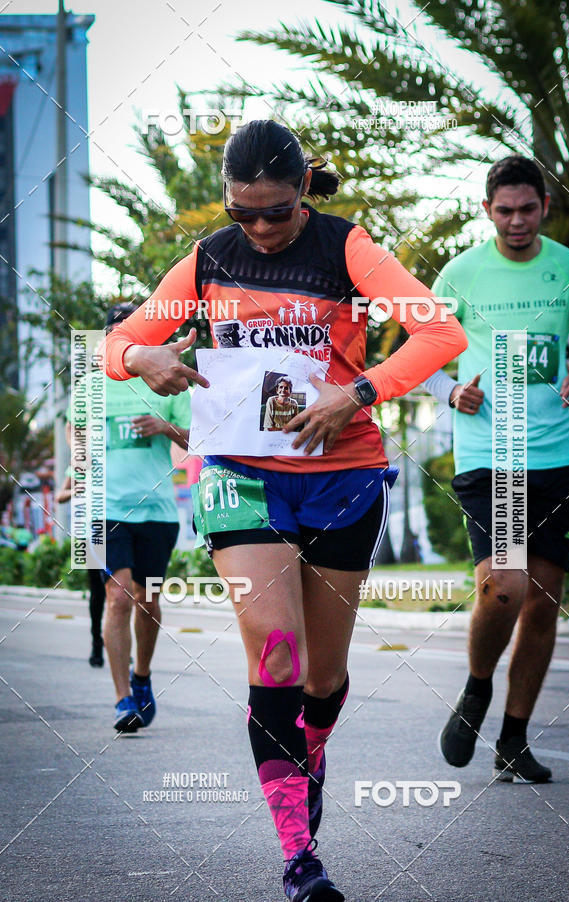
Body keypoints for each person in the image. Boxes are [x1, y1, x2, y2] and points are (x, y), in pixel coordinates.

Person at [104, 120, 467, 902]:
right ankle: (300, 857)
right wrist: (147, 355)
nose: (260, 229)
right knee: (275, 652)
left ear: (303, 190)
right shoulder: (210, 259)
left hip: (342, 474)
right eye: (242, 213)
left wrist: (358, 391)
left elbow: (440, 330)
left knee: (323, 680)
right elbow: (125, 341)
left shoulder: (347, 248)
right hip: (239, 472)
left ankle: (311, 747)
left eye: (274, 211)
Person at [423, 155, 569, 783]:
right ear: (486, 211)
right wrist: (451, 392)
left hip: (559, 459)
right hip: (489, 456)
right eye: (505, 210)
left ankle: (514, 741)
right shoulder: (460, 274)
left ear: (545, 208)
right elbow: (421, 357)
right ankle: (476, 691)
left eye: (528, 209)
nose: (517, 220)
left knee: (543, 603)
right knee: (506, 585)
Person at [87, 303, 191, 732]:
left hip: (158, 509)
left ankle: (142, 677)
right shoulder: (91, 386)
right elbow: (80, 439)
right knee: (118, 595)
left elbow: (199, 437)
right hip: (103, 508)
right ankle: (122, 700)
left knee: (148, 600)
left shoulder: (169, 383)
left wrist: (165, 428)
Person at [55, 467, 106, 667]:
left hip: (119, 529)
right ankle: (97, 643)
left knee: (120, 591)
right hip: (92, 533)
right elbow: (60, 496)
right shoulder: (81, 463)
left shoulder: (117, 457)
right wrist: (77, 489)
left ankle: (116, 640)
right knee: (98, 591)